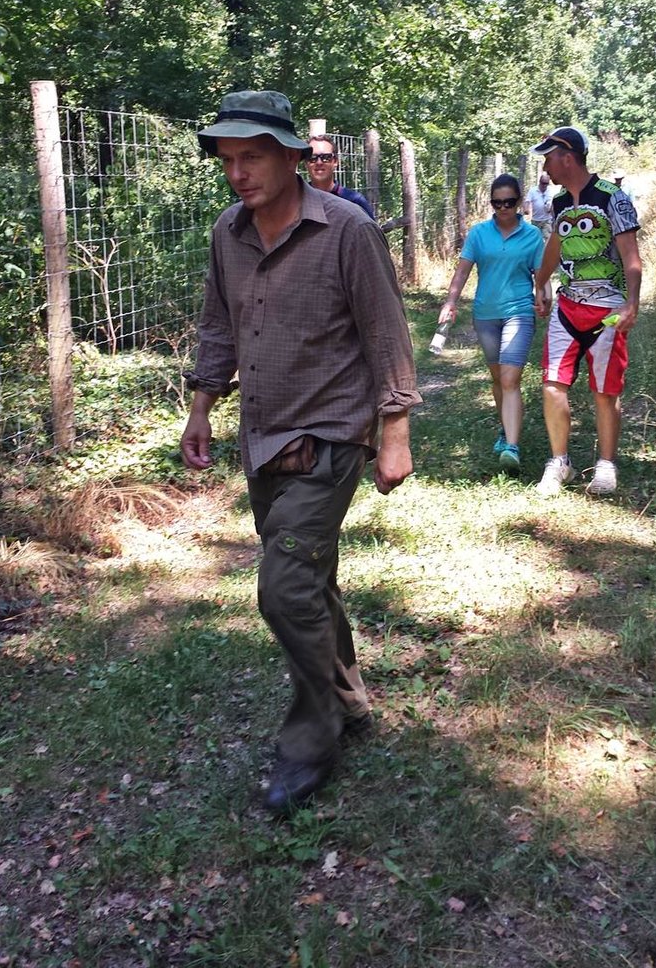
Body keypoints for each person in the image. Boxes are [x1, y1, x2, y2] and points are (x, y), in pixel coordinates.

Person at [180, 90, 420, 813]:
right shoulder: (229, 232)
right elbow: (218, 324)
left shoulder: (346, 230)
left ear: (292, 156)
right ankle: (349, 699)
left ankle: (310, 745)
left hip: (331, 434)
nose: (238, 173)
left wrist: (395, 430)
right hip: (263, 436)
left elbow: (385, 330)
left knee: (283, 590)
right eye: (228, 160)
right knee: (308, 579)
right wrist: (201, 405)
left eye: (253, 156)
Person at [531, 126, 641, 497]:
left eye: (548, 156)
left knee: (605, 391)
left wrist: (632, 302)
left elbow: (631, 256)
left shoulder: (614, 198)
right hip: (567, 307)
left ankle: (606, 466)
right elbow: (554, 247)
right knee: (552, 385)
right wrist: (540, 282)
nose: (545, 164)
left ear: (567, 156)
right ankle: (559, 462)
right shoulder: (559, 203)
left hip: (608, 309)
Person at [438, 173, 543, 474]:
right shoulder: (479, 234)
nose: (503, 208)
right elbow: (462, 272)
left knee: (510, 379)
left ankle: (512, 446)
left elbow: (541, 274)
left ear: (519, 202)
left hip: (519, 312)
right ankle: (504, 427)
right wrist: (450, 301)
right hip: (485, 314)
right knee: (498, 378)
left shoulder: (532, 235)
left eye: (509, 202)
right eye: (497, 203)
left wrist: (543, 295)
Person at [306, 132, 376, 218]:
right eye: (312, 158)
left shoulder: (355, 201)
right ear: (306, 163)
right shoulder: (295, 201)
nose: (319, 162)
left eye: (326, 157)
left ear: (335, 162)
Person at [522, 171, 555, 241]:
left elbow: (554, 204)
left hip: (547, 220)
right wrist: (526, 209)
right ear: (540, 182)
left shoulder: (551, 191)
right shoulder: (533, 191)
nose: (544, 185)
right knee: (535, 239)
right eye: (543, 183)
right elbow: (527, 201)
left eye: (546, 183)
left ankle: (546, 251)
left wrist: (551, 210)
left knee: (547, 238)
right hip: (535, 220)